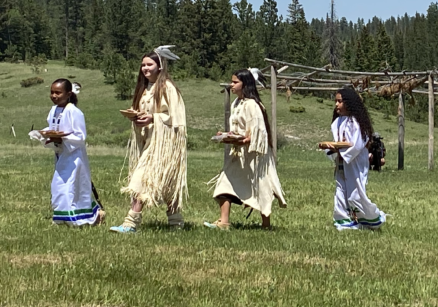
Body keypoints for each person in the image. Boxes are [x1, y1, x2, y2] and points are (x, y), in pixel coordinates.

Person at [111, 46, 187, 233]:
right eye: (143, 65)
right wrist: (136, 117)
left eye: (149, 64)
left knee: (142, 180)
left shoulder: (167, 88)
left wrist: (153, 118)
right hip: (149, 141)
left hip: (164, 144)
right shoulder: (145, 89)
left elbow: (176, 117)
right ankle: (176, 222)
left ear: (160, 66)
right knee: (167, 182)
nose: (145, 68)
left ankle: (131, 223)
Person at [205, 69, 286, 230]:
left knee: (261, 186)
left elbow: (258, 132)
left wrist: (244, 140)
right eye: (232, 81)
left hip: (254, 156)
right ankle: (224, 222)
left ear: (245, 84)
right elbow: (239, 129)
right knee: (225, 182)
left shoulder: (253, 105)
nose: (231, 85)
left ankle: (266, 224)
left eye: (235, 82)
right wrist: (227, 135)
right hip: (238, 154)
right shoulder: (236, 103)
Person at [319, 86, 386, 230]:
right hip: (342, 162)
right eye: (336, 101)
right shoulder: (337, 122)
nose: (336, 104)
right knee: (340, 191)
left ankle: (370, 218)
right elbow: (338, 141)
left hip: (355, 162)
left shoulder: (357, 123)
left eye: (340, 101)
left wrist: (341, 150)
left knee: (355, 194)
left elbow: (356, 145)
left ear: (349, 103)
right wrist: (333, 150)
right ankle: (343, 221)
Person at [45, 79, 103, 226]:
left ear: (68, 93)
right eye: (52, 92)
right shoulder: (54, 110)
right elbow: (52, 126)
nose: (54, 96)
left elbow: (80, 136)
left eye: (58, 92)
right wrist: (45, 134)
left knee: (70, 185)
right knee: (58, 185)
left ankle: (78, 217)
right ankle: (62, 216)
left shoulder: (74, 112)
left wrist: (62, 138)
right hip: (61, 153)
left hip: (74, 156)